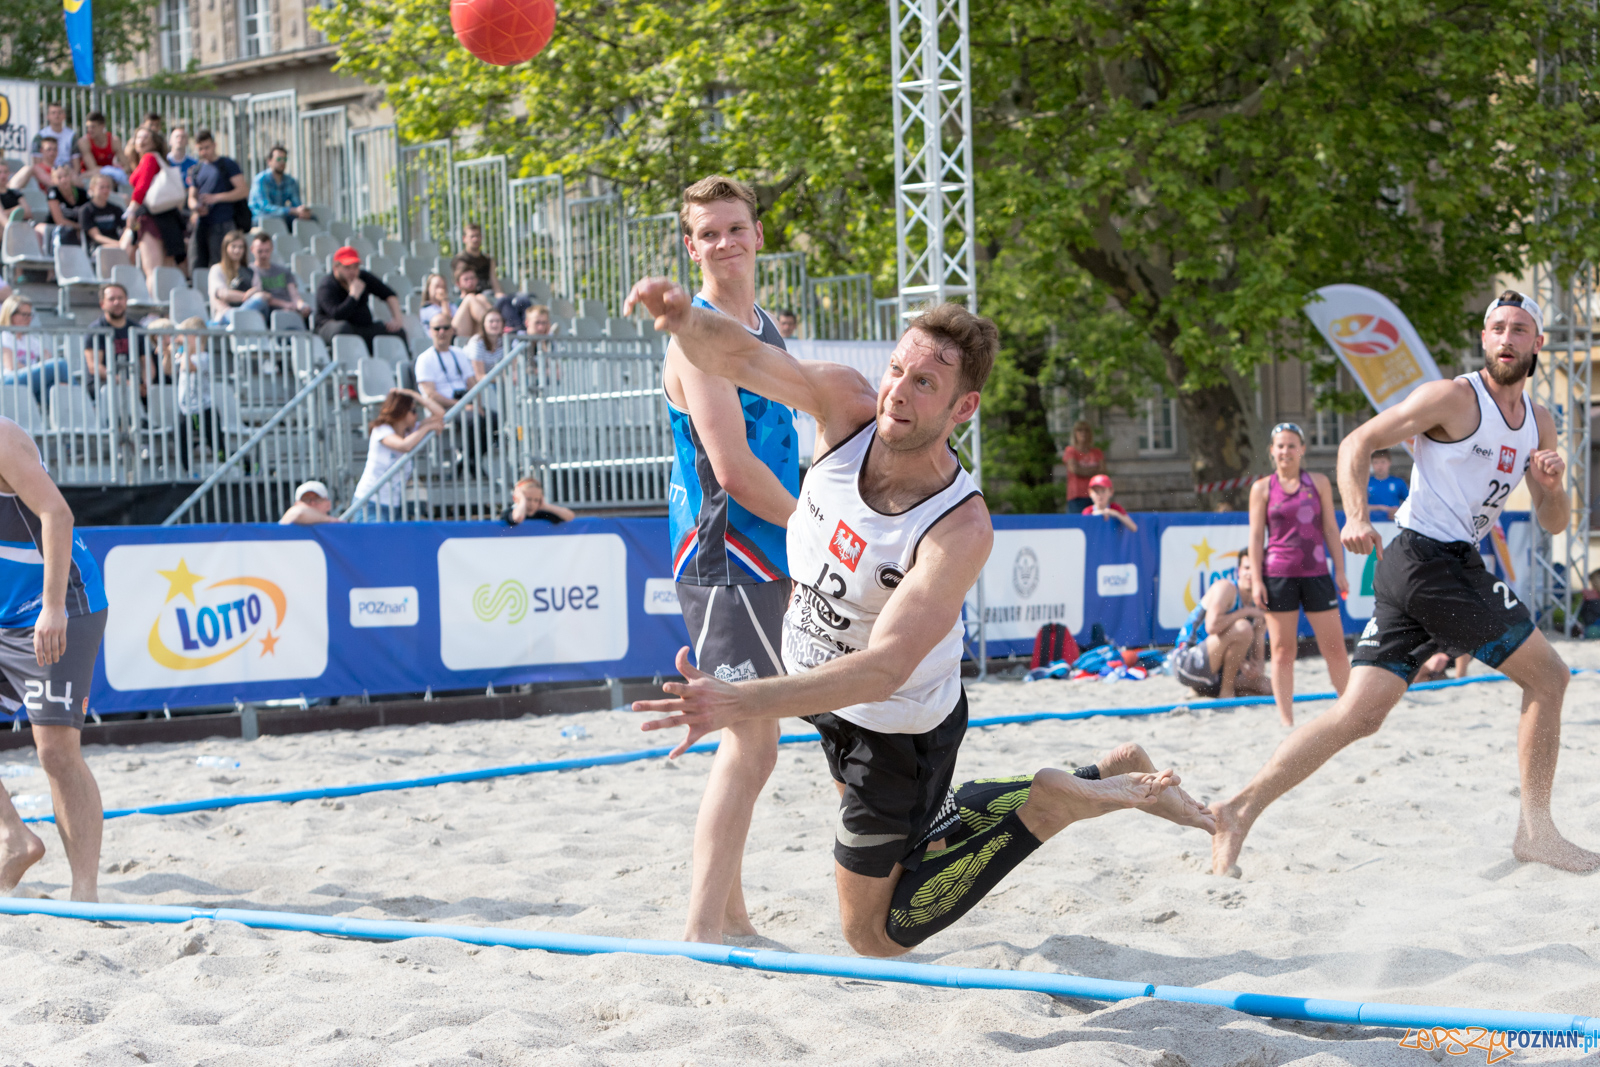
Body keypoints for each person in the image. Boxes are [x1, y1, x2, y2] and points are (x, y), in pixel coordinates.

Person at [628, 279, 1213, 956]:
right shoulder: (846, 405)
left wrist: (742, 699)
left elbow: (883, 669)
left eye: (925, 383)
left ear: (964, 407)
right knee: (911, 847)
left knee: (875, 936)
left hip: (895, 730)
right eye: (897, 369)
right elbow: (744, 357)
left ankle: (1051, 801)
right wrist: (685, 320)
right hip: (827, 696)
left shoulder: (959, 526)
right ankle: (1094, 775)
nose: (898, 392)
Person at [1212, 290, 1599, 878]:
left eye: (1519, 329)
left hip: (1430, 566)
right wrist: (1355, 514)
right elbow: (1357, 442)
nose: (1506, 338)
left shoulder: (1539, 422)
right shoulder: (1452, 397)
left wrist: (1552, 486)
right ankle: (1536, 832)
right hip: (1427, 561)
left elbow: (1554, 523)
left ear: (1537, 343)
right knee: (1549, 676)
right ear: (1483, 338)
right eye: (1496, 327)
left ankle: (1236, 810)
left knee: (1358, 715)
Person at [658, 176, 804, 944]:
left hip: (768, 547)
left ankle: (732, 918)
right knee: (749, 739)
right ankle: (703, 926)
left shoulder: (762, 327)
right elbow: (735, 469)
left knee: (754, 737)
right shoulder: (698, 337)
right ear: (691, 247)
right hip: (725, 553)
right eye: (708, 232)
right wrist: (818, 527)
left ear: (757, 234)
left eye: (735, 227)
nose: (724, 242)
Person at [0, 415, 110, 902]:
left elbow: (57, 515)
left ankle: (85, 894)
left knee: (56, 752)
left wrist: (52, 606)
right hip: (4, 613)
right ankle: (14, 838)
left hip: (59, 603)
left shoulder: (1, 438)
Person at [1247, 422, 1350, 727]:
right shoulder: (1262, 488)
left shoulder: (1318, 482)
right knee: (1282, 650)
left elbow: (1330, 527)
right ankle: (1286, 720)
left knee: (1335, 647)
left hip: (1316, 572)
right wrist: (1257, 580)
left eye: (1292, 445)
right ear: (1271, 451)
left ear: (1302, 449)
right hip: (1278, 575)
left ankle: (1349, 711)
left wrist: (1340, 569)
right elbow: (1256, 536)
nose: (1286, 451)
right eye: (1280, 446)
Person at [1174, 550, 1270, 700]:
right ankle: (1226, 693)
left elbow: (1259, 663)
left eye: (1256, 569)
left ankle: (1204, 690)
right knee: (1243, 628)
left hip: (1217, 671)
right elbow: (1212, 627)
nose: (1250, 573)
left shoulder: (1258, 602)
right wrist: (1245, 611)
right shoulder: (1226, 588)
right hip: (1187, 662)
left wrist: (1254, 668)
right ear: (1238, 570)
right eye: (1247, 568)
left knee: (1269, 687)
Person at [353, 388, 446, 522]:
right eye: (413, 411)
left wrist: (414, 395)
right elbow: (404, 446)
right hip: (370, 503)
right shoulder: (381, 430)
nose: (416, 415)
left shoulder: (411, 432)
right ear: (401, 411)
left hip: (394, 506)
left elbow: (440, 414)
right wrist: (426, 428)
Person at [125, 128, 187, 291]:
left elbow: (142, 187)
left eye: (146, 137)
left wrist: (131, 210)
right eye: (139, 137)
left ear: (154, 142)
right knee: (166, 271)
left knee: (153, 271)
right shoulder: (154, 159)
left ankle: (153, 305)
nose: (142, 140)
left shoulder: (149, 157)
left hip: (152, 218)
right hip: (168, 218)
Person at [315, 247, 404, 349]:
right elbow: (337, 315)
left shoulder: (363, 277)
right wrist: (353, 296)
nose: (352, 271)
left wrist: (397, 320)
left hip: (361, 328)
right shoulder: (327, 286)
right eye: (347, 267)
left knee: (396, 332)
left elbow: (390, 295)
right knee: (343, 328)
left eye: (355, 267)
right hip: (332, 329)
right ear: (336, 268)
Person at [187, 130, 248, 271]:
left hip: (223, 223)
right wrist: (196, 207)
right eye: (200, 149)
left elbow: (243, 190)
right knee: (197, 265)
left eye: (207, 147)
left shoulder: (227, 164)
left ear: (214, 145)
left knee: (222, 266)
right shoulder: (197, 169)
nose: (204, 152)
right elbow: (191, 197)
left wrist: (216, 198)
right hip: (202, 224)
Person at [166, 315, 215, 472]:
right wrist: (168, 353)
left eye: (185, 335)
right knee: (180, 439)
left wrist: (184, 348)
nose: (182, 339)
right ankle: (188, 471)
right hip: (185, 409)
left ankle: (246, 466)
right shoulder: (184, 356)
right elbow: (168, 369)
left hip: (203, 409)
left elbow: (188, 367)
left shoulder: (203, 357)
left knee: (217, 446)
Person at [1, 295, 72, 405]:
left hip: (30, 382)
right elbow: (12, 366)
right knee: (60, 364)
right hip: (8, 381)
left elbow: (47, 358)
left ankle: (80, 406)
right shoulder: (4, 336)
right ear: (11, 315)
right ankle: (86, 404)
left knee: (59, 392)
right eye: (24, 314)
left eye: (30, 315)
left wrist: (39, 369)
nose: (28, 319)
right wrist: (38, 368)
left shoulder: (30, 339)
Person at [83, 284, 147, 399]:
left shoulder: (137, 329)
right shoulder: (95, 330)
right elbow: (94, 367)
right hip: (103, 386)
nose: (117, 302)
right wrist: (126, 383)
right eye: (111, 299)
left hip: (132, 386)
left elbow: (147, 363)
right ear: (102, 304)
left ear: (126, 300)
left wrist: (146, 383)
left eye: (120, 298)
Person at [234, 232, 310, 325]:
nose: (264, 255)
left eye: (267, 251)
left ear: (272, 249)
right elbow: (259, 297)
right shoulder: (249, 271)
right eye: (260, 251)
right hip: (268, 314)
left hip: (289, 311)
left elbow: (294, 295)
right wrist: (285, 305)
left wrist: (301, 305)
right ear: (252, 250)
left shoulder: (283, 271)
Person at [247, 145, 313, 228]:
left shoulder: (290, 181)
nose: (282, 162)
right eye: (278, 159)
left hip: (281, 216)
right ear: (269, 161)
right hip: (261, 218)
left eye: (284, 159)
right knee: (278, 221)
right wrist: (290, 210)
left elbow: (296, 204)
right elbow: (265, 207)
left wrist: (302, 212)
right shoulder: (261, 180)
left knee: (310, 219)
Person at [206, 230, 253, 323]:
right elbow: (223, 294)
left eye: (240, 247)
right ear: (225, 248)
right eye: (233, 246)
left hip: (248, 315)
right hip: (224, 315)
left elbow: (259, 291)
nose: (237, 250)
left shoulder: (250, 271)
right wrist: (249, 295)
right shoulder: (217, 269)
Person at [1062, 421, 1105, 513]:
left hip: (1096, 495)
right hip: (1077, 496)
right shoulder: (1071, 451)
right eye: (1080, 430)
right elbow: (1074, 469)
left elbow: (1103, 471)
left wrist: (1082, 470)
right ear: (1075, 433)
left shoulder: (1097, 452)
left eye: (1086, 430)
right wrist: (1094, 470)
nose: (1083, 433)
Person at [74, 112, 127, 187]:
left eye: (93, 127)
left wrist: (119, 172)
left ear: (102, 126)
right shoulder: (84, 142)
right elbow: (93, 168)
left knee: (126, 176)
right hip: (90, 177)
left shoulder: (114, 141)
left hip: (109, 176)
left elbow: (127, 166)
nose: (89, 130)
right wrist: (113, 171)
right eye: (88, 127)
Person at [500, 475, 576, 526]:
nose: (532, 504)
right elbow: (518, 518)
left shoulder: (542, 514)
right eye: (528, 499)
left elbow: (570, 517)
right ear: (515, 498)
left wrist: (546, 506)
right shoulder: (509, 512)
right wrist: (522, 500)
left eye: (536, 500)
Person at [76, 174, 127, 251]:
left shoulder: (116, 209)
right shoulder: (86, 210)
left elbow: (125, 229)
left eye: (107, 187)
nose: (105, 190)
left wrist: (124, 241)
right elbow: (96, 236)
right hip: (97, 248)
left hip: (118, 244)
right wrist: (119, 244)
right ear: (92, 188)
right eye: (102, 187)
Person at [452, 223, 501, 296]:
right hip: (469, 296)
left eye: (477, 236)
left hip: (487, 293)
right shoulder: (460, 260)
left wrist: (500, 294)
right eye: (472, 236)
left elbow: (494, 281)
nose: (475, 239)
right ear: (464, 239)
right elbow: (462, 284)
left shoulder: (488, 260)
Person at [449, 266, 497, 339]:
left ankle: (494, 324)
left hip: (477, 333)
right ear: (458, 283)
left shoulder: (481, 298)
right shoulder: (454, 302)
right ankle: (495, 325)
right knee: (470, 297)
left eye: (472, 278)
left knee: (480, 297)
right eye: (466, 279)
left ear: (477, 280)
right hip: (457, 333)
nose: (470, 281)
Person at [45, 165, 84, 247]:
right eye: (59, 178)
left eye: (66, 176)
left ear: (70, 177)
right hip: (58, 230)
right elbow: (59, 221)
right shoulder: (53, 192)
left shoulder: (81, 192)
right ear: (53, 180)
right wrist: (79, 227)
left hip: (78, 230)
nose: (63, 180)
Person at [463, 307, 508, 376]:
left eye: (498, 321)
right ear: (483, 324)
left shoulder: (504, 342)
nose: (495, 324)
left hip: (495, 380)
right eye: (491, 321)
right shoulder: (477, 342)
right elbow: (479, 376)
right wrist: (503, 378)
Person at [1367, 448, 1408, 520]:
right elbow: (1358, 507)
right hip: (1371, 523)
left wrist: (1400, 511)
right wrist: (1380, 508)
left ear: (1389, 462)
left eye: (1383, 462)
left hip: (1393, 523)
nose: (1379, 466)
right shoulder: (1365, 483)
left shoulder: (1398, 482)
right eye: (1376, 462)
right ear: (1371, 464)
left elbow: (1410, 504)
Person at [30, 103, 75, 168]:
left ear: (64, 116)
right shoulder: (40, 136)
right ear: (48, 116)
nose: (56, 115)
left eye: (60, 112)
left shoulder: (72, 136)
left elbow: (76, 164)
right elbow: (37, 165)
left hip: (67, 171)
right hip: (46, 171)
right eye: (53, 113)